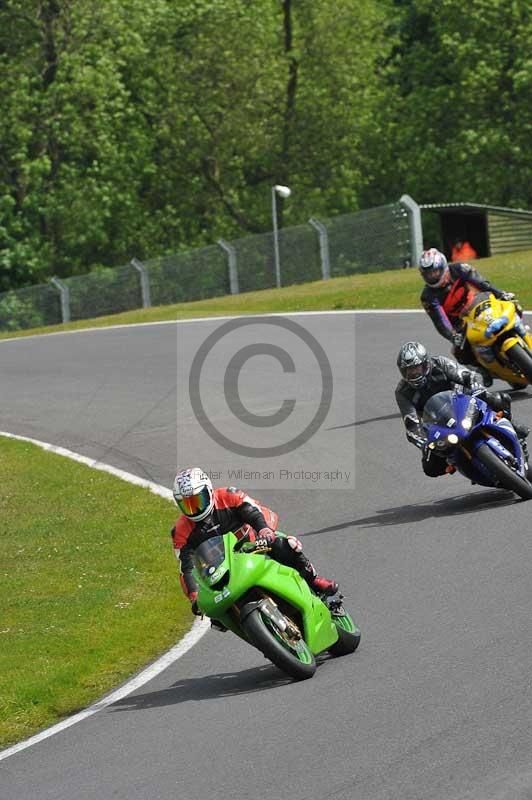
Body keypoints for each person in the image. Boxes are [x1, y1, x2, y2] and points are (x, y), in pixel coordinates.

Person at [171, 468, 339, 617]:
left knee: (287, 545)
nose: (195, 509)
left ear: (208, 491)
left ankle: (314, 580)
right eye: (187, 505)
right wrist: (194, 596)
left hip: (254, 545)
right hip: (221, 570)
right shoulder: (180, 531)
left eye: (197, 501)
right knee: (214, 613)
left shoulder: (227, 496)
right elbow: (186, 567)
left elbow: (252, 512)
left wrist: (264, 530)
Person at [395, 341, 529, 477]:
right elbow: (411, 423)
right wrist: (423, 443)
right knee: (430, 468)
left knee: (500, 399)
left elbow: (467, 375)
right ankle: (458, 464)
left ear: (426, 364)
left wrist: (476, 386)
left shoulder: (440, 363)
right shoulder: (402, 392)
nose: (414, 373)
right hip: (439, 424)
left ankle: (514, 428)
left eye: (417, 368)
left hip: (462, 402)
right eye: (409, 370)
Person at [418, 247, 518, 374]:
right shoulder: (427, 296)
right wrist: (452, 336)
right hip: (461, 324)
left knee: (511, 305)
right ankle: (484, 372)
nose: (433, 276)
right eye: (429, 274)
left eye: (436, 271)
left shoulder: (459, 269)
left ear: (443, 266)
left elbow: (481, 283)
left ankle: (522, 331)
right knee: (460, 353)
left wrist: (500, 293)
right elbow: (439, 321)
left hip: (480, 303)